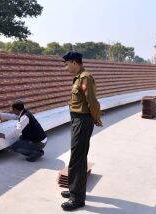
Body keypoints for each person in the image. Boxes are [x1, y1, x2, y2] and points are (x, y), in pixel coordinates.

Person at [61, 52, 103, 211]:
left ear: (74, 62)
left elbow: (92, 101)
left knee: (78, 158)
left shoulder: (85, 78)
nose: (66, 68)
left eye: (66, 64)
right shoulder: (79, 77)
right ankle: (74, 189)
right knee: (76, 156)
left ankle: (77, 199)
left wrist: (96, 118)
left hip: (83, 120)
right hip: (77, 120)